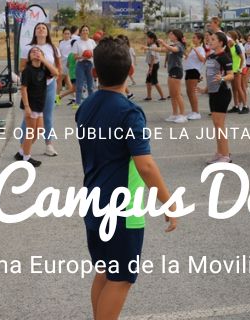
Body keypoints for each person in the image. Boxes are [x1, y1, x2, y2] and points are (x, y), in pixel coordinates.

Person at [75, 38, 178, 320]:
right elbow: (144, 164)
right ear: (132, 70)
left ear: (94, 72)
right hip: (122, 210)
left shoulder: (85, 107)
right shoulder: (129, 112)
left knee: (106, 272)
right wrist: (168, 202)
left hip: (93, 202)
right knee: (120, 278)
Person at [19, 22, 62, 156]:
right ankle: (22, 147)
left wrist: (43, 61)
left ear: (47, 32)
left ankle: (49, 144)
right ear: (35, 32)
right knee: (28, 117)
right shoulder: (28, 48)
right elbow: (21, 68)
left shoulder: (53, 48)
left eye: (44, 28)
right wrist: (34, 68)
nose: (41, 29)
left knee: (48, 116)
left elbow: (58, 69)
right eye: (38, 28)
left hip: (49, 85)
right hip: (33, 88)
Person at [16, 46, 59, 167]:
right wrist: (27, 106)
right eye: (33, 52)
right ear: (29, 57)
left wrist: (44, 61)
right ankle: (26, 158)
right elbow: (23, 89)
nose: (35, 52)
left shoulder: (43, 69)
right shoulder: (27, 70)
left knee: (39, 130)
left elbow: (56, 73)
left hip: (40, 104)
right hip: (31, 104)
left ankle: (21, 152)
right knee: (30, 132)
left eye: (38, 51)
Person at [200, 31, 235, 164]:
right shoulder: (211, 56)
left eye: (213, 39)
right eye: (210, 39)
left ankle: (225, 156)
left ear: (221, 42)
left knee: (220, 125)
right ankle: (220, 153)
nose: (210, 40)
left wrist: (222, 78)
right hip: (213, 93)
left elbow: (231, 75)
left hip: (222, 93)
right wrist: (205, 89)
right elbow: (210, 76)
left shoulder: (224, 57)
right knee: (217, 125)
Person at [153, 30, 187, 123]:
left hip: (177, 70)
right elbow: (162, 50)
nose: (170, 35)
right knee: (172, 94)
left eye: (171, 34)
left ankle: (183, 115)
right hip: (171, 71)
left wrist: (163, 43)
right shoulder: (172, 45)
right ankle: (175, 114)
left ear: (176, 36)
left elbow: (174, 50)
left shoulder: (179, 45)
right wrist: (148, 48)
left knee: (177, 93)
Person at [183, 31, 206, 120]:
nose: (193, 39)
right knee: (189, 92)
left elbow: (202, 59)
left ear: (199, 39)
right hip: (188, 70)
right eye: (193, 37)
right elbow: (187, 57)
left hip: (194, 71)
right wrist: (185, 50)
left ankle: (196, 112)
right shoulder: (194, 48)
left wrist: (196, 50)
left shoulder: (200, 48)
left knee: (192, 92)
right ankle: (193, 111)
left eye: (194, 38)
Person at [74, 25, 97, 106]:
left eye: (86, 30)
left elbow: (96, 53)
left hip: (90, 64)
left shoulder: (92, 42)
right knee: (79, 85)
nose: (85, 32)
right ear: (80, 32)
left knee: (90, 85)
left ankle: (91, 102)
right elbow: (75, 56)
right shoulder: (77, 42)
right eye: (83, 30)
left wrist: (91, 55)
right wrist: (83, 56)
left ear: (89, 31)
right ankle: (78, 103)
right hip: (80, 64)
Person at [227, 30, 249, 114]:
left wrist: (240, 69)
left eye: (229, 36)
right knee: (234, 89)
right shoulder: (230, 47)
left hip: (237, 70)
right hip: (232, 70)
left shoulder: (237, 46)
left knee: (239, 88)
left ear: (233, 38)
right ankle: (236, 106)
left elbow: (242, 58)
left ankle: (245, 106)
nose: (227, 38)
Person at [143, 32, 166, 101]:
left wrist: (150, 68)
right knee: (148, 81)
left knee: (155, 81)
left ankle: (162, 96)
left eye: (147, 38)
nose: (146, 39)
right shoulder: (151, 45)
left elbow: (153, 57)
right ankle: (149, 96)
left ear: (152, 39)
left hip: (154, 65)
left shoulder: (153, 46)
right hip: (152, 65)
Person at [58, 27, 77, 103]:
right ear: (63, 34)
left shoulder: (72, 42)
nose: (67, 35)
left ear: (70, 35)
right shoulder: (61, 42)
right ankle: (74, 97)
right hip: (62, 63)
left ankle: (57, 97)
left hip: (68, 63)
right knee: (67, 81)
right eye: (65, 33)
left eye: (68, 33)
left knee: (59, 80)